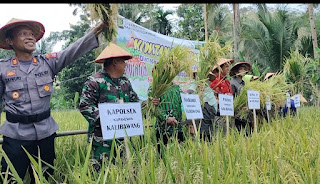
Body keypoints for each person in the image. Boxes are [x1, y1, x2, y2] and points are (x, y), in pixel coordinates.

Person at [0, 18, 107, 183]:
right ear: (9, 40)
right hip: (15, 136)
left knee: (44, 178)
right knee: (11, 179)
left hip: (45, 134)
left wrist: (97, 30)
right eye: (23, 34)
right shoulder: (3, 68)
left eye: (31, 34)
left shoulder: (47, 63)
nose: (30, 37)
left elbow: (72, 50)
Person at [79, 42, 143, 172]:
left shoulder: (125, 82)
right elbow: (85, 105)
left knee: (127, 172)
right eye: (123, 62)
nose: (125, 65)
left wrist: (148, 105)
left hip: (123, 139)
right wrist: (109, 119)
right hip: (102, 141)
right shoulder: (95, 81)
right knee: (102, 174)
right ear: (115, 62)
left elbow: (135, 102)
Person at [148, 69, 185, 157]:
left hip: (178, 128)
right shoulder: (154, 89)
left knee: (180, 157)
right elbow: (153, 109)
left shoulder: (176, 88)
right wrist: (166, 118)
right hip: (163, 130)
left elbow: (187, 100)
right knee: (163, 158)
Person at [185, 71, 218, 142]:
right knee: (198, 141)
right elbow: (189, 106)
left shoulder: (208, 89)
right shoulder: (192, 89)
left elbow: (214, 105)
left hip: (209, 119)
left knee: (208, 142)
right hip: (198, 121)